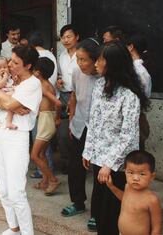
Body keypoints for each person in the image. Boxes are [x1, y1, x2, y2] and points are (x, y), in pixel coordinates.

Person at [82, 41, 150, 235]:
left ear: (112, 63)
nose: (96, 63)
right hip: (98, 158)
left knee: (111, 213)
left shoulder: (129, 95)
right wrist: (88, 151)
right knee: (98, 212)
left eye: (100, 59)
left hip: (117, 164)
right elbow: (93, 121)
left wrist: (109, 164)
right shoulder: (100, 84)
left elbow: (128, 135)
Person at [0, 45, 42, 235]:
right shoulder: (8, 79)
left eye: (16, 62)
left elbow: (6, 102)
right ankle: (14, 228)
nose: (10, 64)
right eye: (11, 59)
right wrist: (10, 104)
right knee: (3, 190)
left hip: (17, 138)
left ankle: (27, 232)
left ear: (28, 65)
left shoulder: (32, 84)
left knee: (16, 192)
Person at [60, 38, 103, 233]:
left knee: (98, 171)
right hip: (79, 125)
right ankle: (77, 202)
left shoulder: (105, 76)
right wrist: (71, 120)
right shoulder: (77, 72)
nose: (79, 64)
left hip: (99, 130)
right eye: (77, 59)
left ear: (96, 60)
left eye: (83, 59)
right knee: (75, 166)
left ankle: (97, 212)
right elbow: (74, 96)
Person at [106, 150, 162, 235]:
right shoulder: (128, 187)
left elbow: (157, 228)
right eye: (131, 172)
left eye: (142, 174)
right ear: (125, 172)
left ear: (152, 176)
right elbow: (125, 199)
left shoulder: (152, 200)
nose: (135, 178)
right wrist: (112, 187)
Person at [30, 57, 62, 196]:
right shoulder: (46, 83)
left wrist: (58, 117)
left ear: (38, 72)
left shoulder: (43, 86)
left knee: (35, 155)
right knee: (42, 154)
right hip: (45, 119)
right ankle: (44, 181)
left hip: (46, 120)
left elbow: (58, 103)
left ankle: (53, 180)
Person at [57, 24, 79, 174]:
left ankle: (79, 163)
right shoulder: (62, 56)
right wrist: (58, 80)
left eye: (69, 36)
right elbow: (60, 74)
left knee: (78, 131)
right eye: (63, 37)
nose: (65, 40)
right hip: (64, 95)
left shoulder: (82, 54)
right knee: (63, 133)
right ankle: (67, 163)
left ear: (77, 37)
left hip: (79, 96)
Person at [125, 34, 152, 150]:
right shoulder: (134, 68)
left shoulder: (138, 71)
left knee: (135, 156)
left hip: (134, 120)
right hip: (134, 118)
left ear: (130, 47)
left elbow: (142, 98)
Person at [0, 56, 16, 130]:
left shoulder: (8, 75)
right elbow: (0, 85)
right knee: (10, 107)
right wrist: (5, 77)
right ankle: (8, 122)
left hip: (8, 93)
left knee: (11, 108)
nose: (2, 69)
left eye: (5, 67)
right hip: (2, 93)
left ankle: (8, 122)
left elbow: (12, 81)